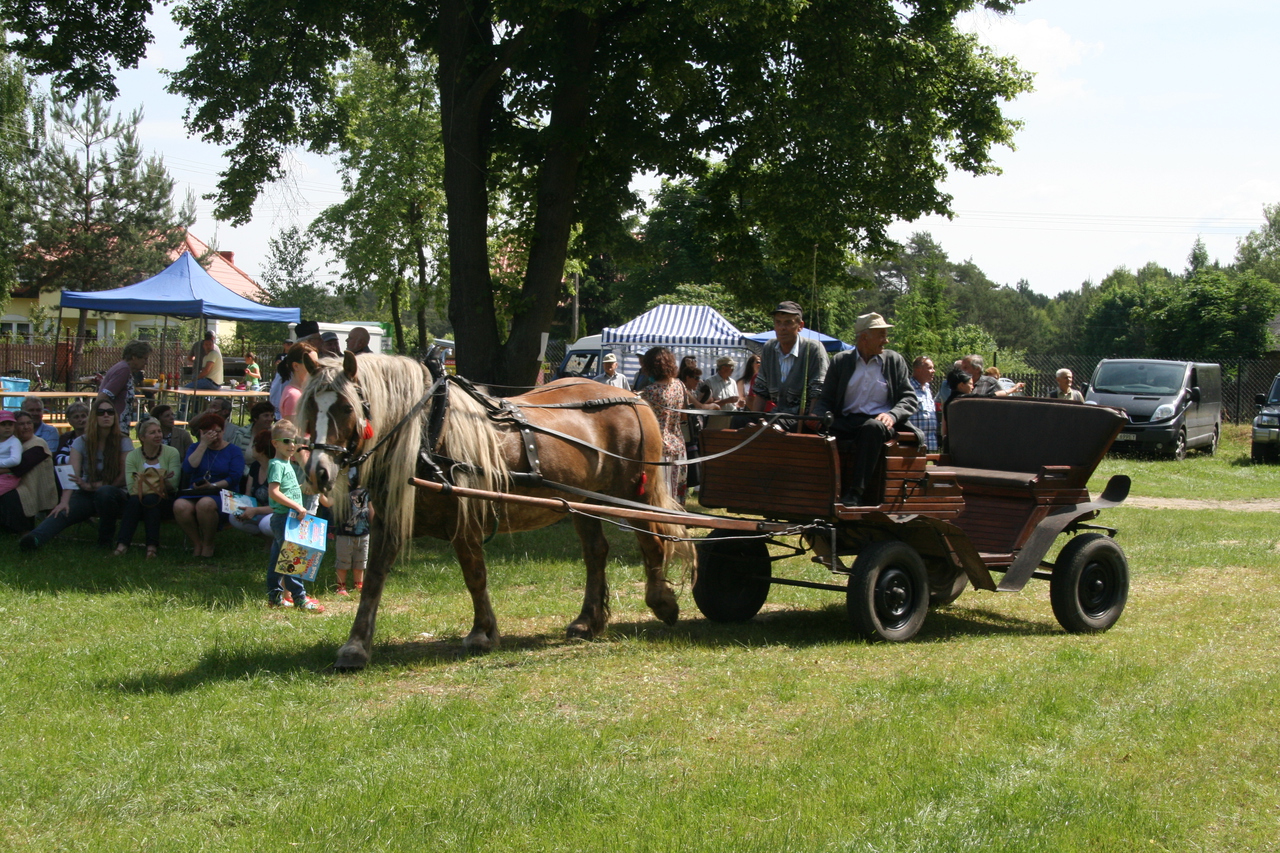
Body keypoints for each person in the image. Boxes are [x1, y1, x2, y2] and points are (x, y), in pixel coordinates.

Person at [814, 313, 919, 507]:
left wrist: (892, 415)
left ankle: (856, 492)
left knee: (872, 428)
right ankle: (819, 490)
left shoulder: (894, 361)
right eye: (881, 335)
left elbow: (909, 398)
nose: (886, 340)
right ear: (864, 338)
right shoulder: (840, 361)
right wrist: (819, 416)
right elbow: (825, 399)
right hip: (846, 421)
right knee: (816, 433)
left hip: (879, 423)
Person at [20, 399, 132, 551]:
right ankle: (34, 539)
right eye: (101, 412)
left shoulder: (123, 441)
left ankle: (104, 542)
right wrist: (64, 500)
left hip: (115, 492)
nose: (106, 415)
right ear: (94, 417)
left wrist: (94, 486)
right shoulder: (81, 442)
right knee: (63, 511)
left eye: (110, 412)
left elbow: (124, 477)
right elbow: (71, 474)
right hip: (85, 492)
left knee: (104, 493)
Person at [263, 419, 324, 612]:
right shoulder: (277, 465)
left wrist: (301, 488)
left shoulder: (287, 463)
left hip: (286, 518)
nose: (292, 446)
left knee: (276, 560)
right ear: (275, 443)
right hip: (284, 518)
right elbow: (274, 492)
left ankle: (274, 597)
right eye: (287, 441)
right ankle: (300, 598)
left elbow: (286, 489)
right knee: (292, 560)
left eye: (294, 441)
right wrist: (297, 506)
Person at [174, 410, 245, 559]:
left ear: (223, 430)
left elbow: (235, 477)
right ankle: (197, 543)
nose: (215, 436)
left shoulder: (234, 451)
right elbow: (188, 468)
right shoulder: (195, 448)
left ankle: (208, 544)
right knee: (180, 506)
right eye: (208, 433)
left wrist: (213, 486)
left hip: (226, 493)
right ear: (201, 433)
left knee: (205, 504)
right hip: (197, 491)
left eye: (218, 432)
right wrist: (203, 445)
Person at [749, 301, 829, 423]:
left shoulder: (813, 349)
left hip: (801, 417)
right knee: (737, 421)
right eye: (778, 322)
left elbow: (818, 390)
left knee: (773, 425)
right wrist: (754, 421)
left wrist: (811, 420)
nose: (782, 328)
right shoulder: (769, 347)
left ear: (800, 326)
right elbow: (761, 389)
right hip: (777, 414)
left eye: (788, 323)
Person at [114, 418, 180, 558]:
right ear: (142, 437)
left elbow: (173, 484)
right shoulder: (133, 456)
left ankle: (151, 547)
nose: (158, 435)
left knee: (150, 498)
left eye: (159, 431)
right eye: (152, 433)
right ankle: (123, 545)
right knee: (136, 500)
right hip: (138, 498)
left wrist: (144, 479)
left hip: (166, 499)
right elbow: (132, 486)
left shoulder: (172, 452)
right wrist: (160, 478)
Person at [638, 347, 691, 505]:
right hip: (678, 445)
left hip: (657, 448)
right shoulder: (680, 385)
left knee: (659, 493)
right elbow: (684, 415)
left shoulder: (649, 392)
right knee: (675, 492)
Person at [0, 411, 58, 533]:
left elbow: (19, 468)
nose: (26, 427)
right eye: (21, 424)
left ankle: (22, 530)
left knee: (10, 496)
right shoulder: (14, 442)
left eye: (29, 423)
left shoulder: (38, 444)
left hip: (34, 488)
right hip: (18, 482)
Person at [95, 339, 152, 433]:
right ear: (134, 357)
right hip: (115, 429)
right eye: (144, 359)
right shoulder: (123, 370)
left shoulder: (125, 369)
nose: (146, 363)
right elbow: (103, 397)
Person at [334, 469, 370, 597]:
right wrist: (320, 494)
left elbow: (371, 510)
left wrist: (375, 525)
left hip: (364, 534)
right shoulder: (342, 493)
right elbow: (328, 503)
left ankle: (358, 584)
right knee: (343, 562)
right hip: (345, 534)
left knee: (360, 562)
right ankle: (341, 586)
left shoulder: (367, 493)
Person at [907, 356, 939, 453]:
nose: (933, 371)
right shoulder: (908, 388)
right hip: (912, 442)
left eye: (933, 368)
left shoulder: (927, 388)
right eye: (929, 368)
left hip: (928, 442)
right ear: (918, 370)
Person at [278, 344, 317, 420]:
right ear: (296, 366)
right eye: (311, 363)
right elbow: (294, 430)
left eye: (317, 364)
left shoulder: (302, 391)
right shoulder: (294, 395)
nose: (316, 368)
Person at [940, 367, 974, 452]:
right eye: (970, 384)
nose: (973, 387)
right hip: (963, 445)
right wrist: (1010, 390)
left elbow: (944, 426)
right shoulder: (965, 401)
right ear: (961, 385)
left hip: (951, 443)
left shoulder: (948, 401)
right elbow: (990, 396)